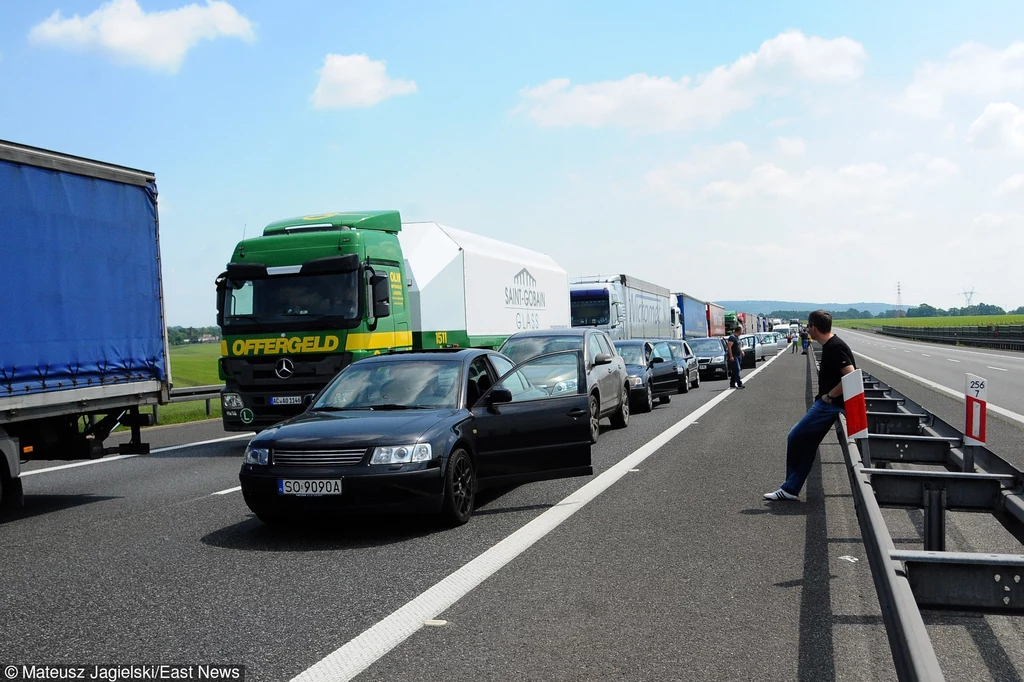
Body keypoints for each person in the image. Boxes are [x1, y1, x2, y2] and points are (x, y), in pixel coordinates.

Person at [764, 310, 856, 501]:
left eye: (808, 326)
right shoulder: (832, 344)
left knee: (795, 436)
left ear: (814, 328)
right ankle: (790, 488)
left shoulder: (835, 347)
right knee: (808, 443)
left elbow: (851, 375)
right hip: (831, 404)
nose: (807, 329)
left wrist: (829, 396)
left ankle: (789, 487)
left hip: (830, 405)